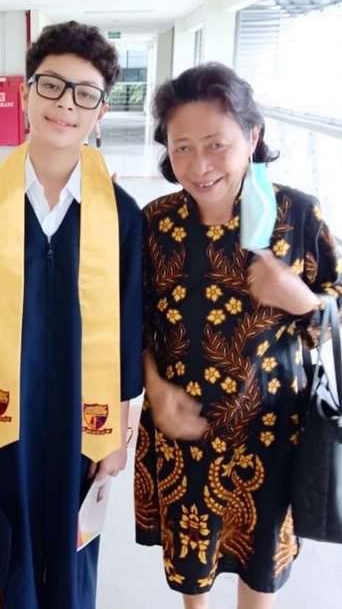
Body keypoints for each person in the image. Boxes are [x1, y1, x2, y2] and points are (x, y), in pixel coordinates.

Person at [0, 21, 143, 608]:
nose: (66, 105)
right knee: (7, 558)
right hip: (2, 421)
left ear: (101, 111)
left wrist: (121, 436)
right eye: (52, 86)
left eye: (85, 93)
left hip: (88, 424)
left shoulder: (122, 215)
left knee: (74, 558)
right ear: (26, 92)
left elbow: (129, 330)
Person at [134, 62, 342, 609]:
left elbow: (335, 312)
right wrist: (154, 390)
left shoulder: (297, 215)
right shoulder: (155, 222)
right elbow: (135, 323)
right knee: (193, 569)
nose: (199, 166)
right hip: (185, 432)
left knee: (260, 565)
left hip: (274, 434)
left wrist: (299, 297)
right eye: (182, 148)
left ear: (252, 136)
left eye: (216, 144)